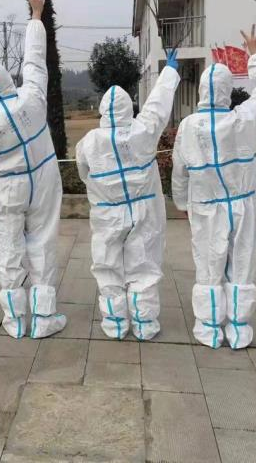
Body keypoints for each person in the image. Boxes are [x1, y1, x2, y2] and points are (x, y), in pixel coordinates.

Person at [172, 26, 256, 349]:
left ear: (202, 91)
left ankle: (209, 328)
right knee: (242, 262)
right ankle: (239, 329)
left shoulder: (189, 126)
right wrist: (255, 55)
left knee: (208, 264)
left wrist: (181, 203)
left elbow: (179, 171)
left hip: (205, 207)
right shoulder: (244, 119)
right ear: (228, 91)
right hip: (242, 205)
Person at [0, 0, 65, 340]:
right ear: (8, 81)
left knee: (8, 247)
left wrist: (1, 177)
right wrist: (36, 16)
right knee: (42, 241)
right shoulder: (31, 97)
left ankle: (15, 321)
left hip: (8, 185)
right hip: (43, 176)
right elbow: (35, 62)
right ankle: (44, 318)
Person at [75, 49, 180, 340]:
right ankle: (145, 325)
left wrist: (103, 190)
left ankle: (115, 324)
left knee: (107, 267)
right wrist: (169, 71)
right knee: (144, 266)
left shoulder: (88, 143)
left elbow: (84, 174)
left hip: (107, 213)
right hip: (144, 211)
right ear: (128, 109)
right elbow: (158, 105)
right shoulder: (143, 130)